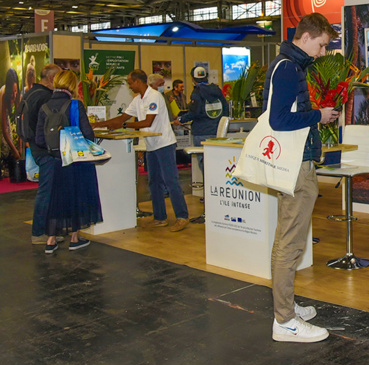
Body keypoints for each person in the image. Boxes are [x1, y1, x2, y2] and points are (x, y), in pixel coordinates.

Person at [265, 12, 340, 343]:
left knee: (287, 238)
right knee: (290, 242)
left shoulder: (290, 66)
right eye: (322, 45)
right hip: (296, 164)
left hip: (297, 161)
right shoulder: (287, 68)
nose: (322, 53)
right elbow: (279, 120)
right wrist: (318, 115)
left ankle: (287, 306)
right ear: (306, 37)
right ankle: (285, 320)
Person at [97, 69, 190, 232]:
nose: (129, 85)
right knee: (154, 182)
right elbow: (121, 118)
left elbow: (147, 122)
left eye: (130, 82)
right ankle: (160, 217)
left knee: (171, 180)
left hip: (164, 144)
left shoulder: (154, 96)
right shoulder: (137, 99)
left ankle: (182, 216)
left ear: (139, 82)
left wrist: (124, 125)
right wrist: (97, 125)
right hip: (151, 145)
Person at [34, 70, 103, 254]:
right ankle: (74, 238)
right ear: (72, 85)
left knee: (56, 198)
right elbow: (88, 134)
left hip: (55, 161)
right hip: (76, 160)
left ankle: (50, 240)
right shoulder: (75, 105)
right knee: (77, 197)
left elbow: (39, 139)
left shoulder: (45, 107)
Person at [18, 63, 62, 244]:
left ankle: (47, 231)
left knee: (47, 189)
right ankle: (39, 232)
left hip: (35, 146)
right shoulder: (45, 97)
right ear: (52, 78)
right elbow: (48, 126)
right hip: (45, 149)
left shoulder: (30, 93)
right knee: (47, 190)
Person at [176, 66, 229, 151]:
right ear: (206, 76)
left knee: (203, 161)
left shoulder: (197, 92)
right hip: (217, 131)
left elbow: (194, 112)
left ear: (193, 79)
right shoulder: (217, 90)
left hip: (201, 132)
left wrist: (181, 119)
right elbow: (226, 109)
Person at [1, 69, 22, 174]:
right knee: (5, 145)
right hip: (2, 122)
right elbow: (4, 130)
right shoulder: (3, 94)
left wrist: (21, 147)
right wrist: (14, 151)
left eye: (15, 90)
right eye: (12, 91)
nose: (14, 94)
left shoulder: (18, 95)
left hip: (8, 122)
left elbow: (20, 123)